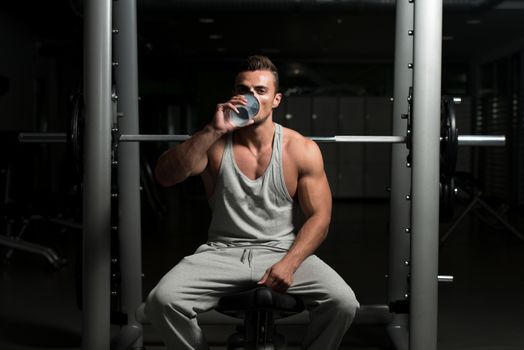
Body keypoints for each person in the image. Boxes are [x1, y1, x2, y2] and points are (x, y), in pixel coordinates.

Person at [145, 55, 359, 350]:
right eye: (244, 90)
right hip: (221, 252)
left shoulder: (300, 149)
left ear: (276, 100)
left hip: (281, 251)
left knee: (343, 303)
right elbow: (165, 176)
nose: (251, 97)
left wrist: (289, 263)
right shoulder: (213, 143)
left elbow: (320, 218)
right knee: (161, 301)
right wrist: (213, 130)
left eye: (260, 90)